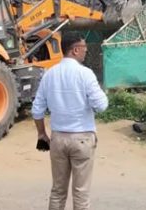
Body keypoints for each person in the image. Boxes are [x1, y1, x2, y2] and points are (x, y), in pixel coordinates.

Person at [31, 32, 109, 210]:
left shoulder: (49, 74)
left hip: (58, 139)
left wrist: (42, 134)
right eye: (84, 48)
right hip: (82, 139)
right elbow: (101, 105)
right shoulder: (85, 74)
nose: (86, 51)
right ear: (75, 50)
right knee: (81, 193)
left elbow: (37, 110)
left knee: (58, 191)